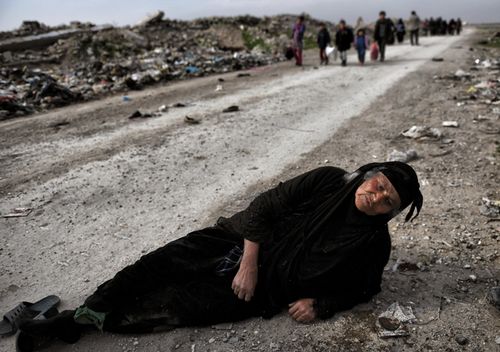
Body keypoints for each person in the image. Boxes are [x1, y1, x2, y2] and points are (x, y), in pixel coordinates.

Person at [16, 162, 423, 351]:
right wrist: (248, 264)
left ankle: (90, 325)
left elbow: (367, 286)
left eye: (389, 199)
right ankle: (79, 317)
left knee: (172, 308)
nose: (377, 195)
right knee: (155, 267)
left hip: (266, 290)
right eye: (380, 183)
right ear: (371, 174)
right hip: (234, 241)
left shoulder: (372, 244)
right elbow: (262, 209)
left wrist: (321, 304)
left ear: (392, 211)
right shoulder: (328, 180)